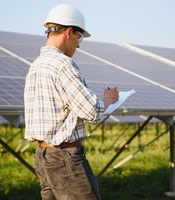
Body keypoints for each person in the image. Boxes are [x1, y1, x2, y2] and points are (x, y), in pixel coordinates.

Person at [24, 3, 119, 200]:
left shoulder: (35, 66)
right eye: (79, 37)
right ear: (69, 32)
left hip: (43, 156)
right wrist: (108, 100)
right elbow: (91, 111)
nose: (78, 44)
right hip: (64, 158)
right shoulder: (62, 64)